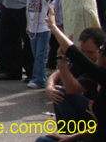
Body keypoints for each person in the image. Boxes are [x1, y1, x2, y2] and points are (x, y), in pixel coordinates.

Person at [38, 13, 106, 142]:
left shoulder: (100, 74)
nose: (85, 56)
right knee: (44, 140)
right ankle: (67, 133)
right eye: (83, 51)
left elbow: (71, 88)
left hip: (92, 128)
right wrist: (49, 87)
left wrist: (53, 28)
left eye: (91, 52)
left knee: (63, 92)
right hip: (90, 129)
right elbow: (57, 74)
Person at [8, 0, 51, 89]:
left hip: (43, 31)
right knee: (35, 55)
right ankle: (41, 77)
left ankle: (39, 80)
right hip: (32, 31)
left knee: (40, 56)